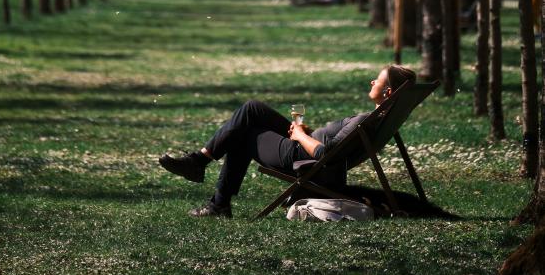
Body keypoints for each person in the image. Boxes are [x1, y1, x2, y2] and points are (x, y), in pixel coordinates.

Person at [158, 63, 416, 218]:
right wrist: (305, 132)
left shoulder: (364, 120)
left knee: (244, 130)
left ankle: (210, 186)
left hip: (299, 154)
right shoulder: (377, 118)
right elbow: (333, 145)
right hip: (304, 144)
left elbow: (325, 152)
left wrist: (301, 135)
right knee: (252, 110)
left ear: (388, 92)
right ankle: (205, 174)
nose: (372, 81)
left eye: (377, 80)